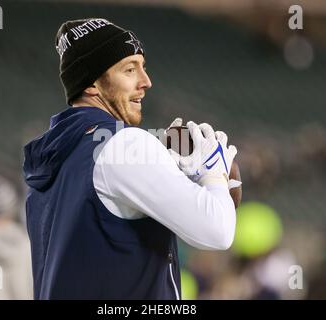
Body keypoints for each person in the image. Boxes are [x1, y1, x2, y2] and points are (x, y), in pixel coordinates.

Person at [23, 18, 240, 300]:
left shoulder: (54, 155)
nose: (146, 82)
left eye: (143, 67)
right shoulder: (122, 143)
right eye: (129, 70)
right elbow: (217, 232)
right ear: (92, 84)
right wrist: (212, 173)